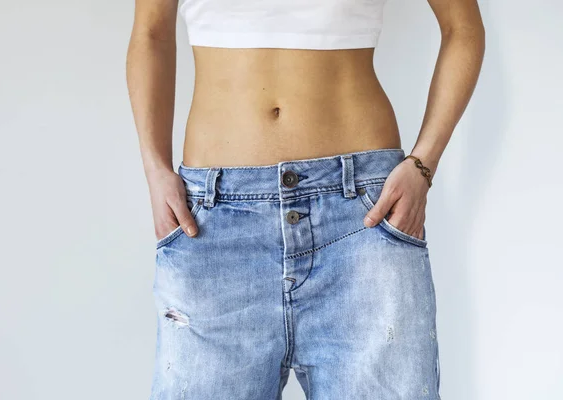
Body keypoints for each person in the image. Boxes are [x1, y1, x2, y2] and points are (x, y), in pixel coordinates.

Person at [126, 0, 485, 398]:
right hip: (214, 226)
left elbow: (462, 28)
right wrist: (155, 169)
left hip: (362, 220)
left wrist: (424, 165)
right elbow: (151, 34)